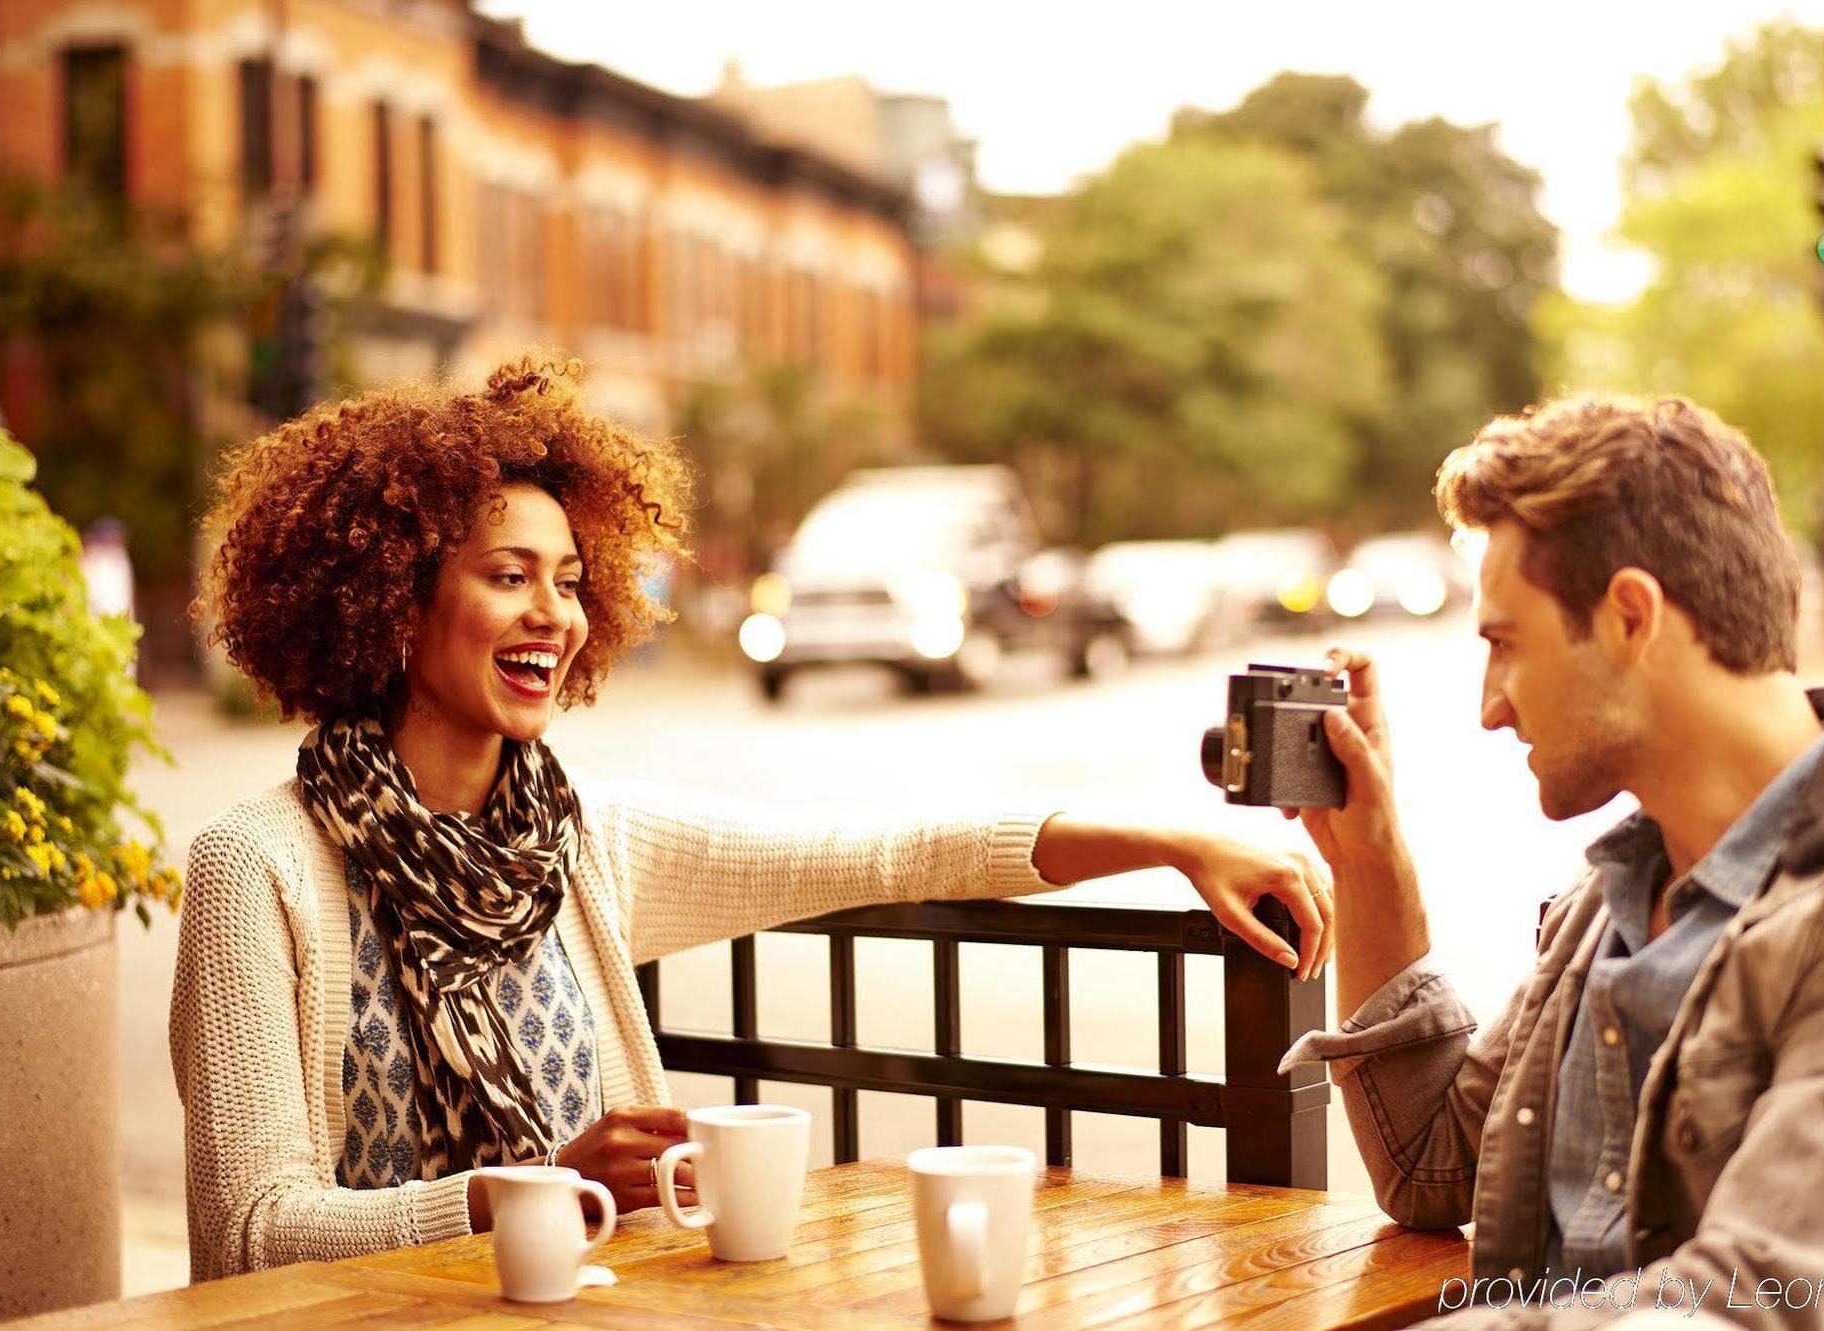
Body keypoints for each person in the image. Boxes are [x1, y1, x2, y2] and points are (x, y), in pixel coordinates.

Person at [170, 354, 1330, 1281]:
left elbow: (883, 847)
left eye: (572, 580)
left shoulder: (575, 841)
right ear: (392, 600)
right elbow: (253, 1231)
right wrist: (530, 1189)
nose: (555, 613)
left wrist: (1171, 840)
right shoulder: (255, 866)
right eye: (507, 574)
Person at [1281, 396, 1824, 1328]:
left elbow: (1748, 1308)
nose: (1490, 706)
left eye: (1504, 644)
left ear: (1631, 618)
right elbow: (1431, 1166)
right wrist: (1367, 856)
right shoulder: (1618, 892)